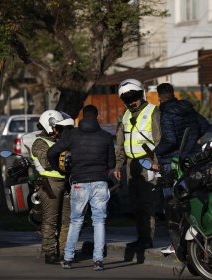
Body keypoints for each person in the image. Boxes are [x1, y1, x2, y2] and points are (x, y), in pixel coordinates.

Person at [47, 104, 115, 271]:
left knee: (76, 221)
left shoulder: (72, 135)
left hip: (79, 182)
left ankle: (68, 259)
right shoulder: (106, 137)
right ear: (97, 116)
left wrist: (59, 169)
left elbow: (51, 152)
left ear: (82, 117)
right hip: (100, 181)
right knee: (99, 221)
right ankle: (98, 261)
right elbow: (112, 163)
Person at [154, 82, 209, 255]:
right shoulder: (187, 108)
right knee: (191, 201)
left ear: (160, 96)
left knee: (173, 206)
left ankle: (177, 244)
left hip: (172, 163)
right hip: (192, 159)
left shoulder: (165, 112)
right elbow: (205, 125)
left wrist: (155, 152)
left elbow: (169, 141)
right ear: (172, 93)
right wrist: (191, 141)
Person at [113, 79, 161, 250]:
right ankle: (141, 238)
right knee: (136, 204)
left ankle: (148, 240)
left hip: (148, 162)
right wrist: (118, 165)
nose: (130, 103)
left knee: (147, 203)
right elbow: (120, 142)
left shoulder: (153, 111)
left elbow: (158, 139)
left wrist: (155, 162)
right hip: (131, 164)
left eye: (133, 98)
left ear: (141, 95)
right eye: (126, 100)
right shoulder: (124, 115)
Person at [31, 110, 74, 264]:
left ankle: (64, 252)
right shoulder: (39, 143)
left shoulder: (58, 141)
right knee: (50, 220)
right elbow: (46, 162)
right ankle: (49, 253)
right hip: (48, 184)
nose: (59, 131)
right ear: (49, 126)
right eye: (57, 128)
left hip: (64, 183)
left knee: (67, 220)